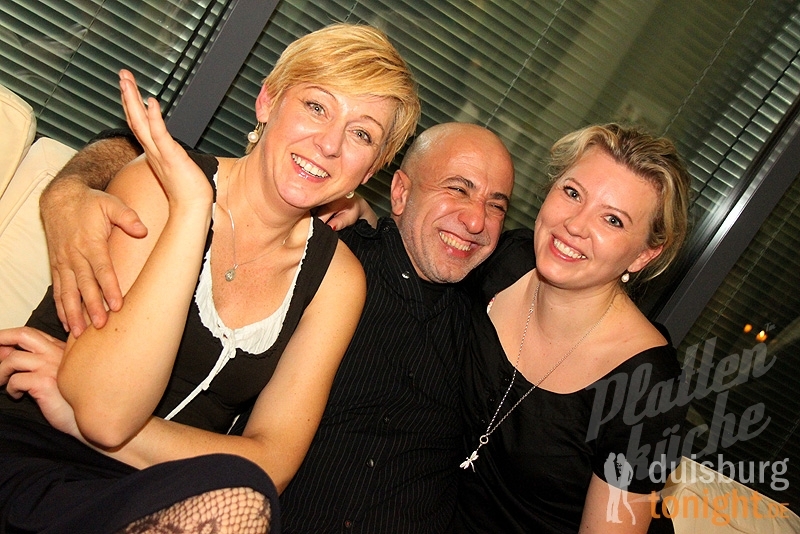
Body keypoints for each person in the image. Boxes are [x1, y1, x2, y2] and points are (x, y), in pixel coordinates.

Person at [0, 22, 419, 534]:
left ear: (372, 169)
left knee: (239, 503)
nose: (330, 144)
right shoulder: (159, 185)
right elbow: (106, 411)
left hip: (161, 497)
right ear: (267, 102)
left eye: (361, 134)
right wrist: (193, 208)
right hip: (31, 452)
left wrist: (98, 425)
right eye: (316, 106)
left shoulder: (337, 281)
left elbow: (269, 467)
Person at [3, 121, 515, 532]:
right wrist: (68, 191)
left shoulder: (486, 332)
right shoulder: (329, 258)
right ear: (398, 192)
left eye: (497, 206)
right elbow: (143, 148)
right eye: (458, 189)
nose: (476, 220)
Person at [454, 123, 692, 533]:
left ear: (644, 255)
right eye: (572, 193)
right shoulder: (503, 260)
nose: (576, 225)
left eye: (612, 220)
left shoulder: (647, 388)